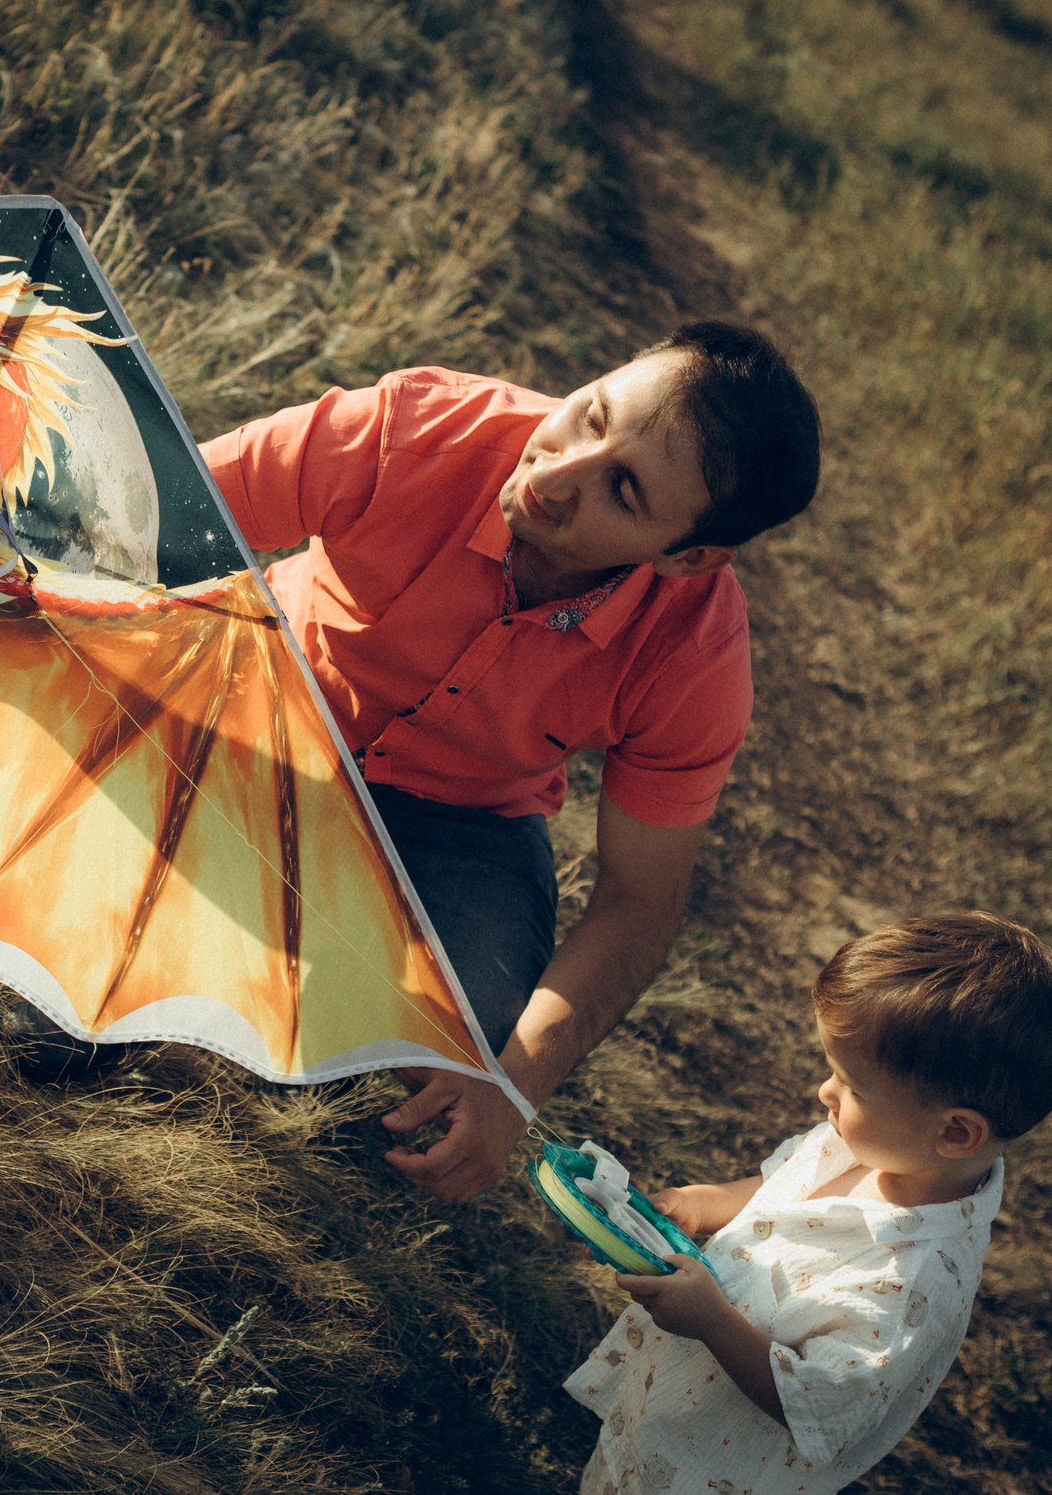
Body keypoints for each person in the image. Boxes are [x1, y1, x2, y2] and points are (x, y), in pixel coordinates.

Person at [197, 323, 820, 1200]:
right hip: (262, 693)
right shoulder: (411, 429)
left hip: (461, 817)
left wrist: (514, 1088)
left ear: (688, 557)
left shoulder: (698, 660)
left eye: (622, 490)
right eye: (590, 415)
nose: (557, 474)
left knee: (467, 1051)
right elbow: (149, 513)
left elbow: (638, 903)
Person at [567, 913, 1052, 1494]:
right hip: (668, 1409)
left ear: (954, 1133)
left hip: (715, 1468)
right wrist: (702, 1204)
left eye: (853, 1086)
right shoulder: (867, 1146)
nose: (826, 1091)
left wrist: (713, 1323)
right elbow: (778, 1190)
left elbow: (818, 1406)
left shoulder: (912, 1282)